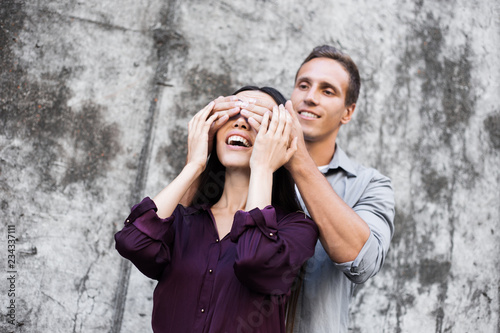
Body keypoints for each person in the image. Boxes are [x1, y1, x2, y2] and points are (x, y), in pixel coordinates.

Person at [114, 86, 319, 333]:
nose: (242, 124)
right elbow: (133, 242)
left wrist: (263, 167)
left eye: (258, 119)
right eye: (233, 114)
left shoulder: (295, 229)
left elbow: (254, 260)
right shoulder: (182, 221)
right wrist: (195, 163)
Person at [235, 46, 395, 332]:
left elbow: (363, 262)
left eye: (328, 91)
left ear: (348, 112)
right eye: (303, 85)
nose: (309, 97)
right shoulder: (243, 163)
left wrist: (298, 160)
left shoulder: (370, 185)